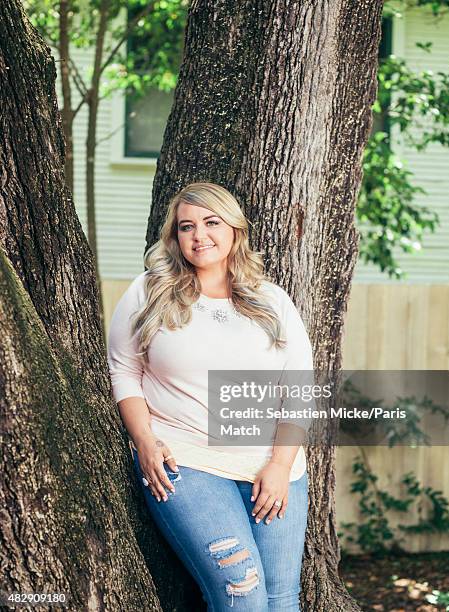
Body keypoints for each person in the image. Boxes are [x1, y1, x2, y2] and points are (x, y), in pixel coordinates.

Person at [107, 182, 314, 611]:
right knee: (242, 591)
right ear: (175, 237)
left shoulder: (272, 301)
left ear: (234, 230)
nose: (199, 235)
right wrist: (145, 441)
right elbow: (124, 369)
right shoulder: (149, 293)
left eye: (211, 222)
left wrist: (278, 464)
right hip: (186, 464)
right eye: (187, 227)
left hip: (274, 470)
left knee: (280, 598)